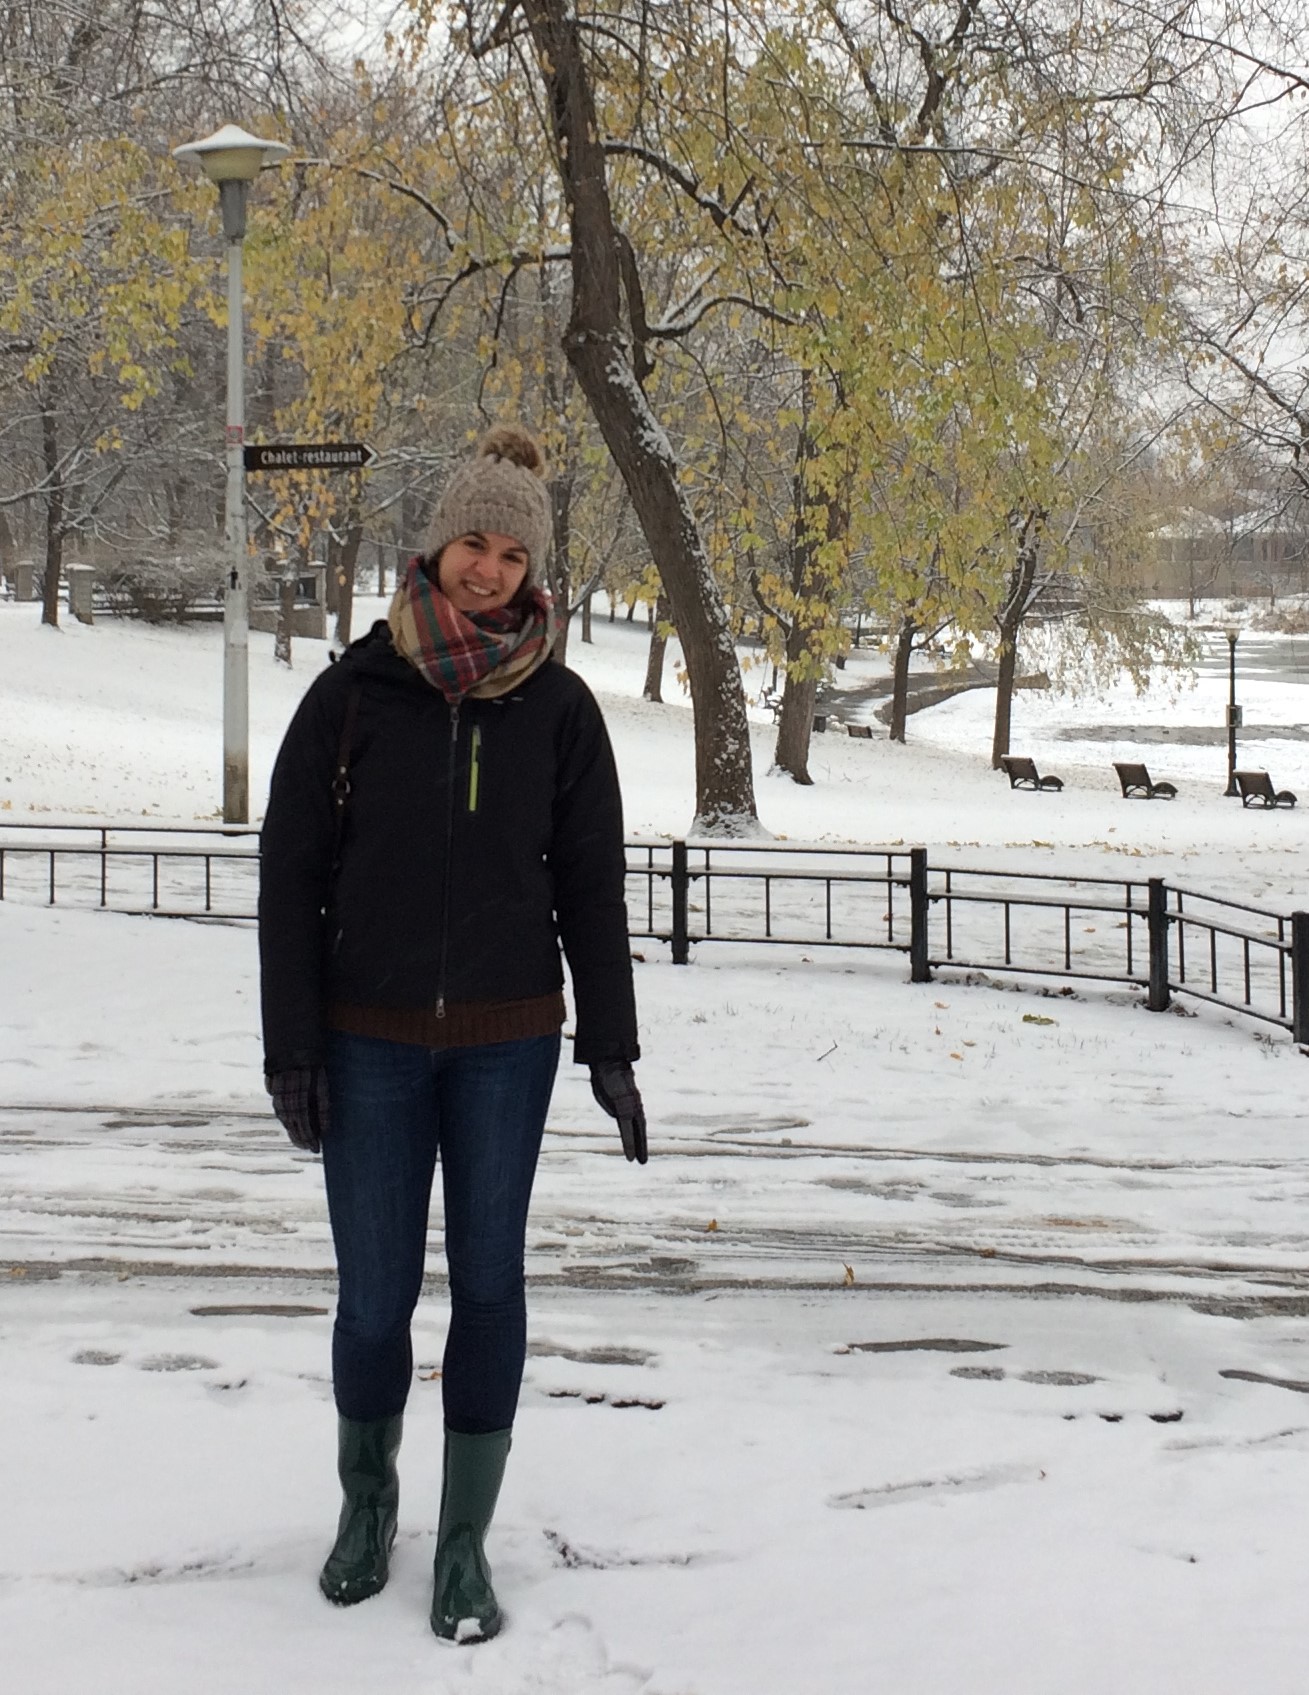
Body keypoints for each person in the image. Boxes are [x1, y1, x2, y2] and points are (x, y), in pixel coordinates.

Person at [257, 424, 645, 1644]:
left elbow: (589, 882)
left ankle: (464, 1546)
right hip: (366, 1041)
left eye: (512, 550)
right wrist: (292, 1044)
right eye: (474, 541)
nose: (491, 568)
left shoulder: (562, 709)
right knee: (373, 1299)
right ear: (435, 546)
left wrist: (612, 1049)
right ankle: (367, 1510)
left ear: (535, 566)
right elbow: (290, 878)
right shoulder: (350, 696)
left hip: (506, 1044)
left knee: (488, 1286)